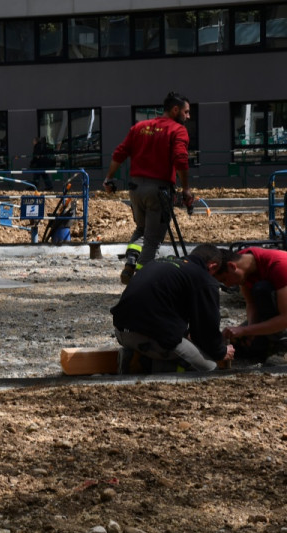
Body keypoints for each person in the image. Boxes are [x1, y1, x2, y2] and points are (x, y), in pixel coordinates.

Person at [103, 91, 192, 285]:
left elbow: (120, 153)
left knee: (141, 229)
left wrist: (109, 178)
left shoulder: (140, 127)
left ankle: (131, 260)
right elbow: (181, 159)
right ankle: (142, 283)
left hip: (135, 189)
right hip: (158, 191)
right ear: (175, 110)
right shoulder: (177, 130)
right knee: (152, 240)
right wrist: (186, 188)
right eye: (186, 112)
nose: (188, 116)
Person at [111, 244, 236, 373]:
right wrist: (221, 351)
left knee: (181, 344)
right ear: (213, 266)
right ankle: (143, 364)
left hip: (121, 332)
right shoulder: (203, 278)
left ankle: (134, 356)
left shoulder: (162, 263)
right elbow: (207, 330)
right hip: (148, 338)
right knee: (210, 369)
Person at [219, 247, 287, 362]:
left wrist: (246, 330)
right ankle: (269, 343)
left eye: (225, 279)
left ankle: (282, 345)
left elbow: (285, 319)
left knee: (262, 289)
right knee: (241, 345)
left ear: (232, 266)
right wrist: (250, 331)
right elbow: (251, 303)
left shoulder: (281, 265)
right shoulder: (242, 261)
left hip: (283, 315)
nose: (228, 285)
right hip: (277, 311)